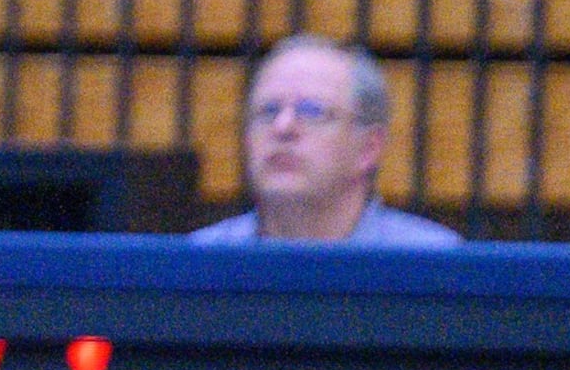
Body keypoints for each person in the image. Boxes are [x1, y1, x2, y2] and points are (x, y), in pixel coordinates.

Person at [188, 36, 461, 248]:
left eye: (312, 111)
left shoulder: (434, 263)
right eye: (268, 111)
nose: (283, 127)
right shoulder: (200, 261)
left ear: (369, 148)